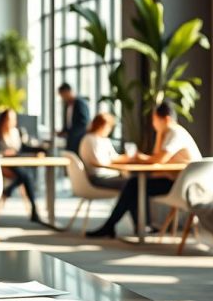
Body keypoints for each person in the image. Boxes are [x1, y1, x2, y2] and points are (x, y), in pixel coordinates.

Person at [86, 101, 203, 238]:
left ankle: (114, 226)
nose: (153, 124)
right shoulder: (169, 133)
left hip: (184, 185)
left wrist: (141, 157)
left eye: (155, 120)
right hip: (182, 182)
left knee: (133, 184)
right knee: (134, 185)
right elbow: (156, 159)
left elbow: (158, 160)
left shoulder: (174, 133)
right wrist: (159, 134)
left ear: (165, 119)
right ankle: (137, 226)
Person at [0, 109, 42, 223]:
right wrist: (4, 153)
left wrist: (41, 149)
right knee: (27, 175)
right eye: (9, 118)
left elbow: (24, 148)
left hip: (17, 164)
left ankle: (8, 190)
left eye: (14, 118)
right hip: (4, 166)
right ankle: (34, 208)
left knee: (25, 175)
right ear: (3, 120)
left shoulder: (17, 132)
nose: (12, 121)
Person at [77, 112, 128, 190]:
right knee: (131, 183)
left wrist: (129, 158)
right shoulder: (89, 139)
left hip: (110, 174)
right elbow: (97, 162)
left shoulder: (104, 140)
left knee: (133, 181)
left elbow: (114, 157)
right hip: (98, 177)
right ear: (102, 126)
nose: (109, 130)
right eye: (109, 127)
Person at [58, 83, 90, 153]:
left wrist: (70, 132)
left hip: (79, 138)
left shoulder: (80, 103)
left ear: (68, 92)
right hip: (70, 138)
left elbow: (84, 122)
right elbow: (68, 121)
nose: (63, 98)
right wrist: (64, 131)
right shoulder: (67, 104)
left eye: (63, 95)